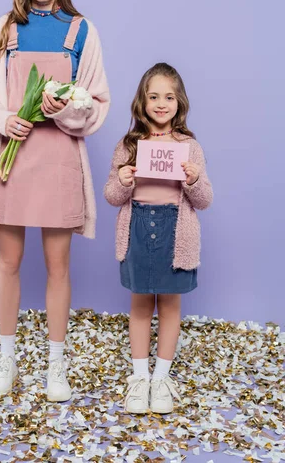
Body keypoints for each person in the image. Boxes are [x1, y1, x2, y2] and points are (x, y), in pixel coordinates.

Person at [0, 0, 110, 401]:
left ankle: (55, 366)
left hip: (58, 162)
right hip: (11, 162)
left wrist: (60, 111)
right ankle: (6, 360)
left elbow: (95, 104)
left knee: (58, 267)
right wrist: (3, 119)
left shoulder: (82, 31)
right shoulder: (4, 29)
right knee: (8, 263)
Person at [104, 63, 212, 414]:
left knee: (169, 306)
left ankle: (161, 379)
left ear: (179, 102)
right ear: (142, 101)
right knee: (139, 304)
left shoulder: (189, 147)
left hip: (174, 230)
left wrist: (194, 180)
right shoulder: (129, 144)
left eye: (169, 97)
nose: (161, 103)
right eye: (154, 96)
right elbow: (111, 196)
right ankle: (139, 379)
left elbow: (204, 200)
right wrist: (122, 178)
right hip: (137, 226)